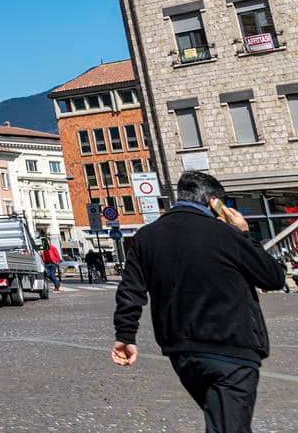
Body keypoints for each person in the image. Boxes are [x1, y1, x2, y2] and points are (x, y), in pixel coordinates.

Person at [112, 171, 287, 433]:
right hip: (231, 346)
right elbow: (273, 278)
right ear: (214, 202)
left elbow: (130, 290)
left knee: (224, 421)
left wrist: (125, 335)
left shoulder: (147, 237)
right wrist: (244, 234)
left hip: (182, 351)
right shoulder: (226, 234)